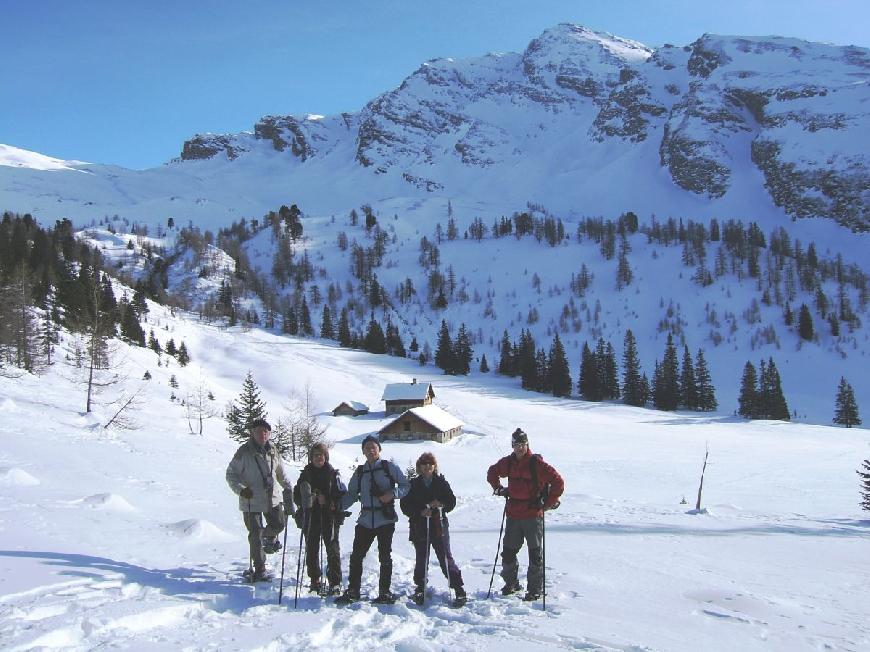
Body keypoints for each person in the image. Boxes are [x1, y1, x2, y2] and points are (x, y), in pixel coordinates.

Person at [486, 427, 564, 601]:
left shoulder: (537, 464)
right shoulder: (509, 462)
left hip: (533, 514)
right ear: (512, 446)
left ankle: (534, 589)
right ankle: (511, 583)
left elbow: (558, 482)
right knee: (508, 552)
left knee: (534, 554)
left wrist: (547, 503)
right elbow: (492, 472)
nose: (520, 448)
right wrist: (498, 488)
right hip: (514, 514)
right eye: (517, 445)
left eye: (523, 444)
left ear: (527, 445)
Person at [335, 435, 410, 604]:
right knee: (356, 556)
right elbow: (352, 494)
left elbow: (406, 486)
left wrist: (392, 494)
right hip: (366, 519)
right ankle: (353, 590)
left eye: (373, 447)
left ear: (379, 450)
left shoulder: (389, 467)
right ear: (363, 451)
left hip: (385, 519)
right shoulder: (360, 472)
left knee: (385, 557)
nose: (370, 450)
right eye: (367, 447)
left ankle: (384, 592)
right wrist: (337, 507)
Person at [225, 418, 294, 582]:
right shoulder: (243, 452)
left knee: (278, 525)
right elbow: (231, 474)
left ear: (269, 433)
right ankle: (260, 568)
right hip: (251, 500)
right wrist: (241, 490)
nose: (262, 434)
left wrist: (289, 488)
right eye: (259, 431)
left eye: (265, 431)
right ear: (252, 433)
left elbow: (281, 473)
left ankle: (267, 537)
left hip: (273, 498)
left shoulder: (273, 451)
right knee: (255, 534)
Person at [400, 452, 467, 607]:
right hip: (419, 526)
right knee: (421, 558)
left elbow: (451, 501)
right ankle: (420, 587)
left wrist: (441, 503)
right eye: (424, 464)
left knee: (445, 557)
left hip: (439, 524)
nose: (428, 466)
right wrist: (420, 511)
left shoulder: (441, 482)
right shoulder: (413, 484)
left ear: (434, 466)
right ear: (419, 467)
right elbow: (405, 505)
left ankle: (458, 588)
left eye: (430, 463)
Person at [293, 442, 347, 595]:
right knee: (311, 548)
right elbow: (297, 496)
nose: (319, 458)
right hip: (310, 516)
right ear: (311, 457)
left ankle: (335, 582)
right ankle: (314, 579)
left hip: (329, 516)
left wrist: (328, 501)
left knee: (332, 549)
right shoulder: (305, 474)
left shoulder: (333, 474)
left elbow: (342, 495)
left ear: (326, 457)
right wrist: (309, 499)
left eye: (321, 455)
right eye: (316, 455)